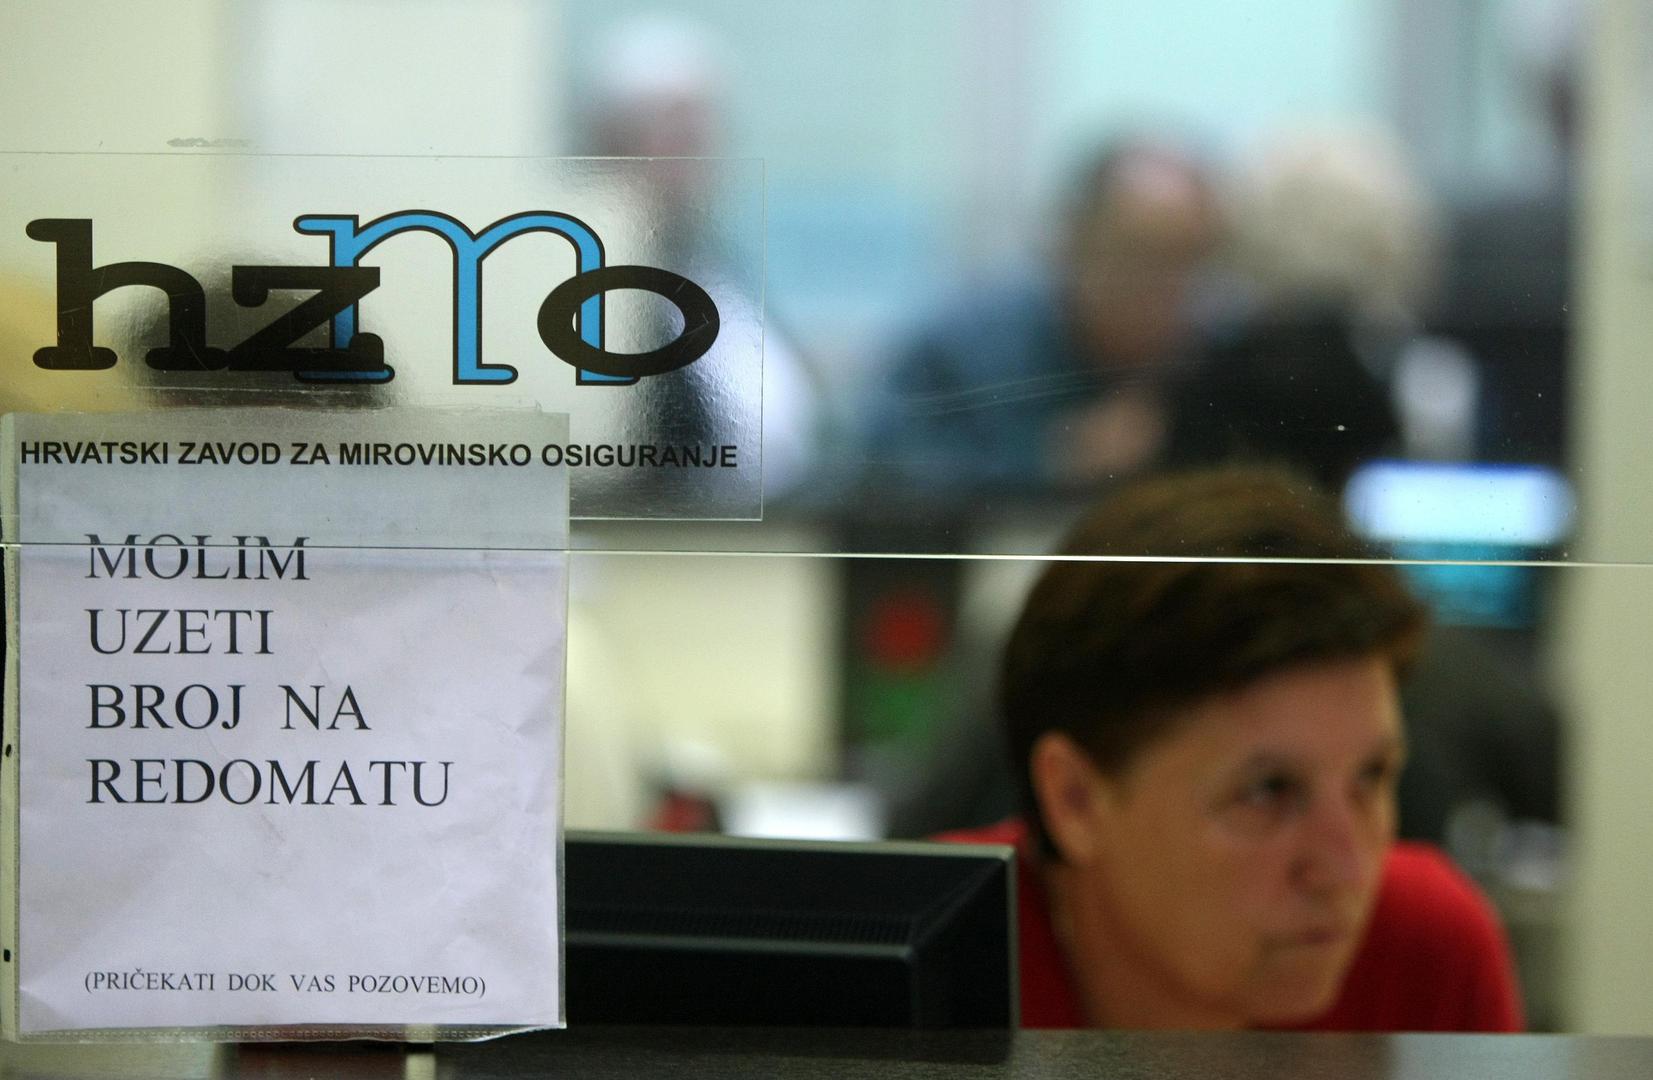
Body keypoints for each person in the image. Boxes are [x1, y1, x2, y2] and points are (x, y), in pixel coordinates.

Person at [942, 468, 1523, 1031]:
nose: (1346, 870)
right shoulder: (930, 952)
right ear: (1075, 800)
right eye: (1268, 791)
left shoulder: (1425, 954)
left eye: (1372, 776)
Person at [868, 135, 1224, 499]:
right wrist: (1046, 463)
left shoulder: (1226, 347)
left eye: (1188, 260)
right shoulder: (958, 346)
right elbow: (877, 471)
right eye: (1137, 256)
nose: (1164, 286)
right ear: (1072, 244)